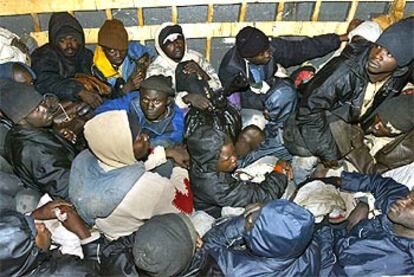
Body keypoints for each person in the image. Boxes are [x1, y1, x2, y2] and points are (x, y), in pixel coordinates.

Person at [283, 17, 414, 169]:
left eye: (389, 54)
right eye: (378, 46)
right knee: (305, 154)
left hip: (351, 118)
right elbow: (308, 111)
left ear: (402, 63)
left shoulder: (403, 70)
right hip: (312, 121)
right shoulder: (344, 72)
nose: (378, 55)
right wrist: (328, 153)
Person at [69, 110, 180, 239]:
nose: (146, 137)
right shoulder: (149, 187)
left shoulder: (82, 159)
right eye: (138, 138)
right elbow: (180, 210)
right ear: (122, 147)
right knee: (202, 218)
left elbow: (124, 167)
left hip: (106, 229)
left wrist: (164, 153)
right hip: (131, 239)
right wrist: (180, 171)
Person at [219, 26, 347, 112]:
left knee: (308, 75)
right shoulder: (231, 69)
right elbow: (243, 102)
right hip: (254, 108)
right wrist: (279, 100)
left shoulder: (270, 48)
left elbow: (303, 49)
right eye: (262, 53)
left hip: (272, 87)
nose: (268, 54)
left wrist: (338, 39)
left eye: (267, 49)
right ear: (248, 57)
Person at [187, 125, 287, 218]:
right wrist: (279, 173)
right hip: (224, 211)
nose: (234, 158)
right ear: (210, 163)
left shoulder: (202, 161)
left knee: (252, 133)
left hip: (233, 182)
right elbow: (264, 197)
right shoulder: (217, 188)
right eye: (227, 158)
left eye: (233, 152)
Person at [1, 80, 77, 200]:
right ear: (21, 119)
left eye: (42, 102)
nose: (45, 108)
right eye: (37, 109)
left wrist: (63, 142)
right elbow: (69, 190)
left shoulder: (23, 132)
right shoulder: (35, 151)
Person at [0, 200, 101, 276]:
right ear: (31, 255)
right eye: (34, 233)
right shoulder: (67, 272)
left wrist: (34, 215)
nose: (41, 226)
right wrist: (84, 235)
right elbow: (101, 269)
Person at [31, 12, 108, 108]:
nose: (69, 46)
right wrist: (79, 91)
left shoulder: (85, 55)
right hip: (56, 109)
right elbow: (44, 82)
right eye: (62, 41)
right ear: (55, 42)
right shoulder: (43, 55)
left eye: (73, 40)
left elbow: (95, 81)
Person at [146, 23, 222, 111]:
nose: (176, 45)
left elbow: (218, 87)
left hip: (207, 103)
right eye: (169, 42)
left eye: (179, 39)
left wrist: (202, 73)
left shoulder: (196, 57)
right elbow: (156, 104)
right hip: (176, 114)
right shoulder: (156, 70)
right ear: (161, 48)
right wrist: (186, 98)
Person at [100, 213, 200, 276]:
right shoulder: (202, 268)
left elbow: (117, 246)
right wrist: (200, 253)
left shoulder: (115, 261)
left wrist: (147, 238)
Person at [92, 19, 155, 98]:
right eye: (112, 51)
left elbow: (152, 57)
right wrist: (124, 90)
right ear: (103, 49)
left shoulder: (134, 52)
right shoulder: (97, 70)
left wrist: (144, 70)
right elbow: (102, 102)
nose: (118, 55)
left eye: (122, 50)